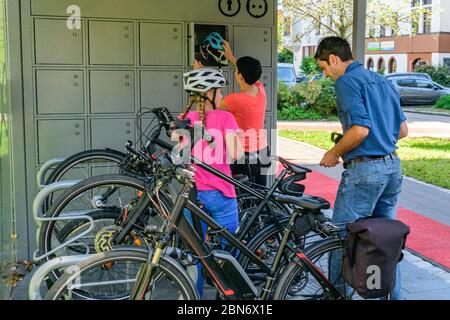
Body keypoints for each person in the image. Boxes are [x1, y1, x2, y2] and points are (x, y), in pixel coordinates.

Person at [314, 36, 408, 300]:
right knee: (386, 240)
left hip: (365, 171)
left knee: (341, 239)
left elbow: (360, 130)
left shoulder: (346, 81)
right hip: (392, 167)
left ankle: (335, 295)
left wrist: (334, 152)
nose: (326, 74)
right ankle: (391, 295)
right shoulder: (382, 80)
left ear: (333, 58)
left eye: (324, 67)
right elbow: (402, 130)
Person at [176, 67, 244, 298]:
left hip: (191, 196)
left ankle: (193, 298)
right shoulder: (226, 118)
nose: (222, 96)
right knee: (228, 250)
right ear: (210, 93)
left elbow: (178, 154)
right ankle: (226, 295)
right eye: (220, 92)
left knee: (194, 254)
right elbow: (236, 155)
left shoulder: (184, 120)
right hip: (221, 195)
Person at [198, 38, 269, 186]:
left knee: (241, 195)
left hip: (243, 156)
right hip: (262, 151)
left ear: (240, 76)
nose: (236, 72)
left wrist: (199, 74)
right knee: (260, 195)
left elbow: (210, 109)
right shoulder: (260, 90)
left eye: (237, 71)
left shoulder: (233, 100)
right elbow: (249, 72)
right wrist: (231, 57)